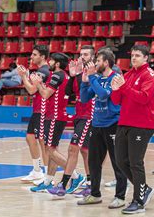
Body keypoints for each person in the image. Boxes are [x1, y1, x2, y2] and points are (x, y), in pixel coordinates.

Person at [111, 45, 154, 214]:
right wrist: (115, 88)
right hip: (124, 122)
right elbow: (117, 100)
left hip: (141, 125)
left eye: (138, 55)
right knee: (120, 161)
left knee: (135, 163)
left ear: (146, 58)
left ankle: (138, 201)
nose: (134, 58)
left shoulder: (150, 76)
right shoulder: (128, 74)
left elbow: (144, 98)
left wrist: (123, 87)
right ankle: (144, 189)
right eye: (132, 55)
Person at [77, 49, 128, 207]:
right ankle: (94, 194)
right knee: (93, 161)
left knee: (117, 162)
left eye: (98, 60)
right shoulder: (97, 78)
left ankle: (120, 196)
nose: (95, 63)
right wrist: (85, 82)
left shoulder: (116, 78)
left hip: (113, 124)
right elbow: (85, 98)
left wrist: (92, 77)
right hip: (97, 123)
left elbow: (104, 94)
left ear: (106, 62)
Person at [47, 47, 97, 199]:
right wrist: (74, 75)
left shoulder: (95, 73)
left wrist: (86, 75)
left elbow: (92, 93)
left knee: (72, 149)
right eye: (81, 54)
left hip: (89, 116)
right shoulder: (78, 73)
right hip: (79, 115)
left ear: (92, 57)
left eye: (86, 54)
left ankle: (63, 185)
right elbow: (69, 93)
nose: (82, 57)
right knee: (85, 151)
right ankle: (90, 184)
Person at [29, 53, 70, 193]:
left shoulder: (57, 75)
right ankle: (48, 180)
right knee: (52, 149)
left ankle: (75, 175)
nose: (49, 62)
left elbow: (45, 94)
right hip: (56, 116)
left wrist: (38, 83)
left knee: (50, 150)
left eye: (51, 60)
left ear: (57, 63)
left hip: (54, 116)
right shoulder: (64, 75)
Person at [17, 45, 49, 183]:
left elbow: (31, 90)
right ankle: (37, 171)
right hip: (37, 109)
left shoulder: (43, 71)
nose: (31, 57)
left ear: (42, 56)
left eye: (34, 54)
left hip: (42, 110)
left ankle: (48, 175)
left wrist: (24, 76)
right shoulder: (40, 70)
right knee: (30, 138)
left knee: (43, 142)